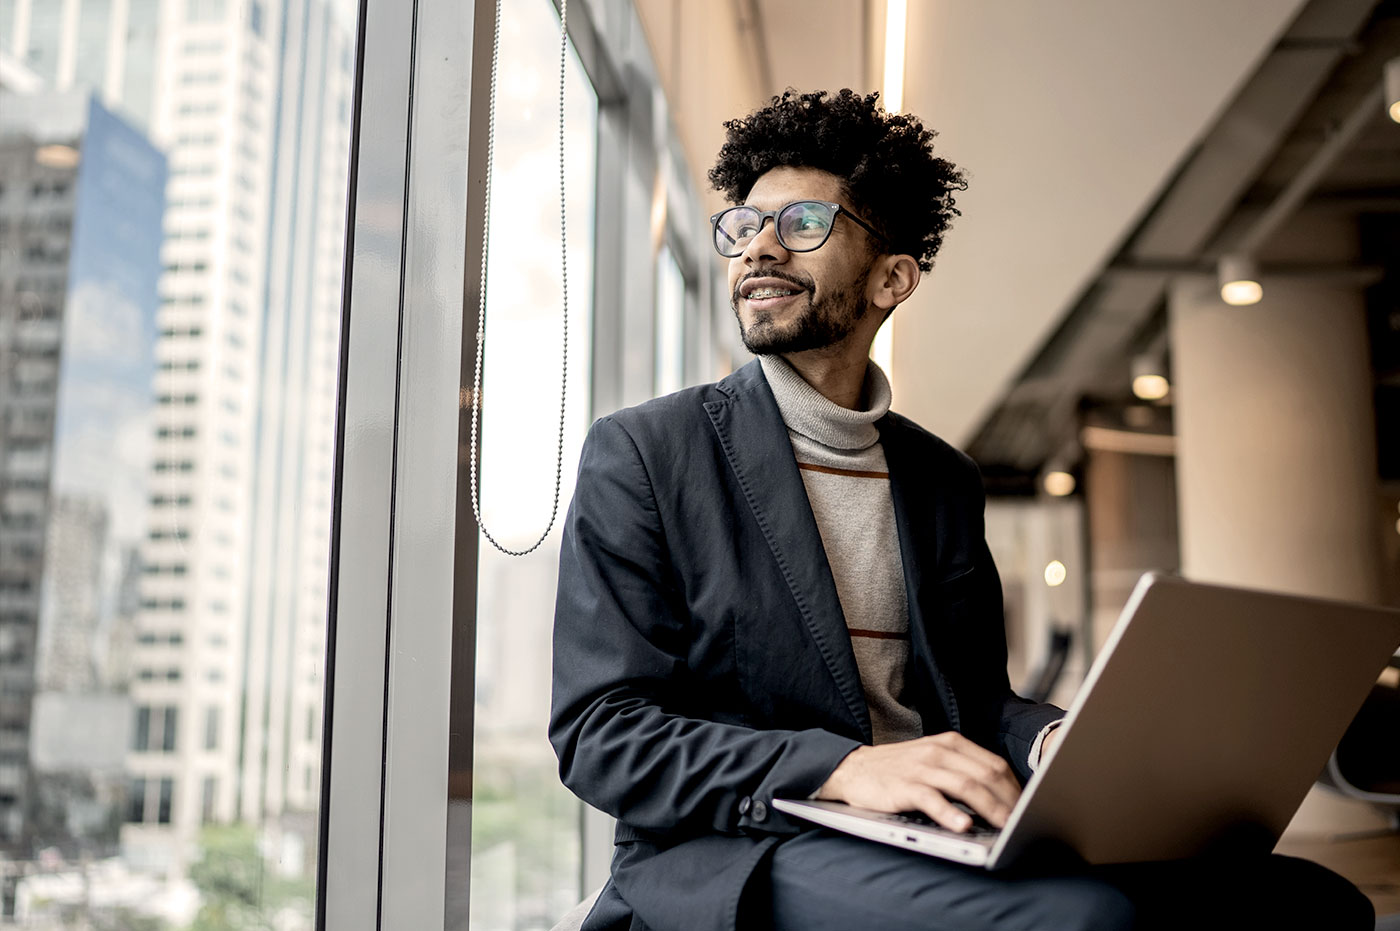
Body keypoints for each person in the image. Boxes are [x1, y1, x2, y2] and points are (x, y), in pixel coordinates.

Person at [548, 89, 1373, 931]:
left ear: (891, 277)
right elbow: (601, 733)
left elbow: (974, 701)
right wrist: (841, 768)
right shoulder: (647, 453)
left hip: (922, 827)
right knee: (1083, 920)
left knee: (1309, 900)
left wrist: (1056, 744)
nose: (759, 246)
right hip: (741, 845)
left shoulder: (940, 478)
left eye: (801, 224)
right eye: (744, 225)